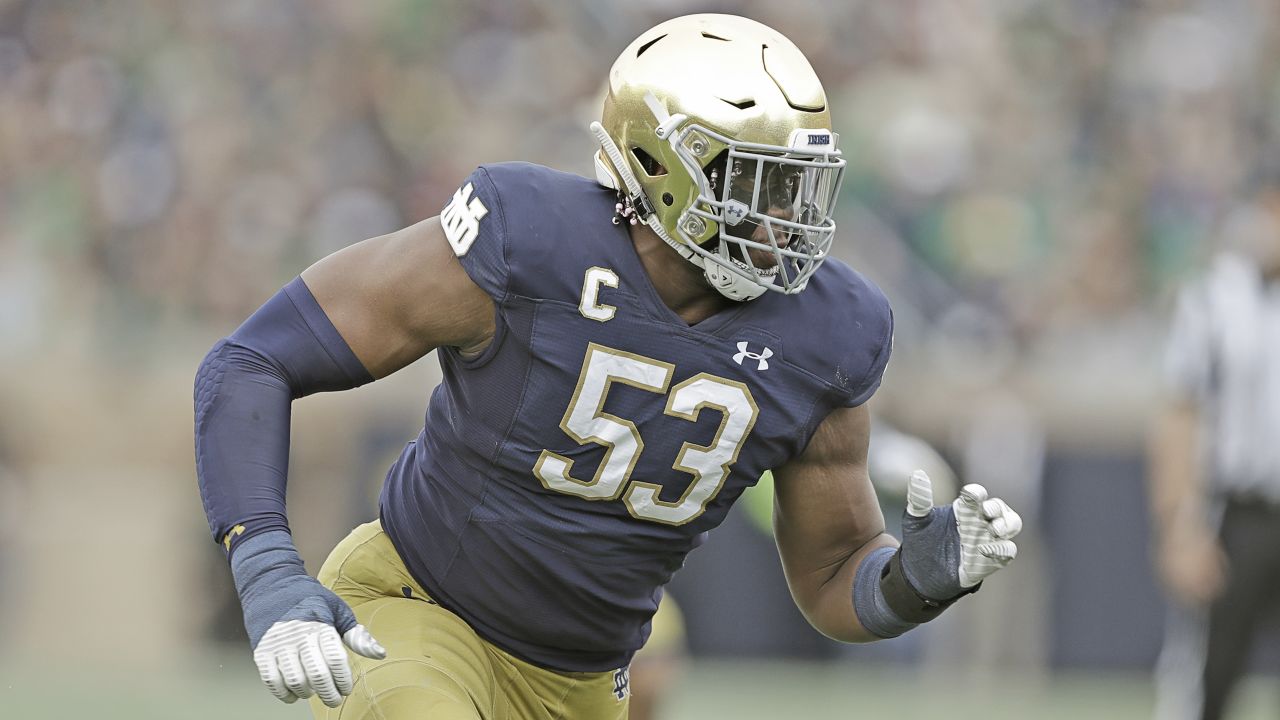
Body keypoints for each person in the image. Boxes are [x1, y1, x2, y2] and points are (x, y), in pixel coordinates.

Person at [194, 14, 1023, 719]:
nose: (784, 222)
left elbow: (835, 576)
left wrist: (916, 579)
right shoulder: (529, 243)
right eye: (758, 186)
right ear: (661, 169)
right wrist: (269, 573)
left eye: (799, 189)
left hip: (587, 681)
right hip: (420, 612)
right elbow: (252, 360)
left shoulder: (830, 331)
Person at [1150, 193, 1280, 720]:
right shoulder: (1214, 298)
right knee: (1206, 682)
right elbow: (1180, 415)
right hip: (1238, 512)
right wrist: (1179, 527)